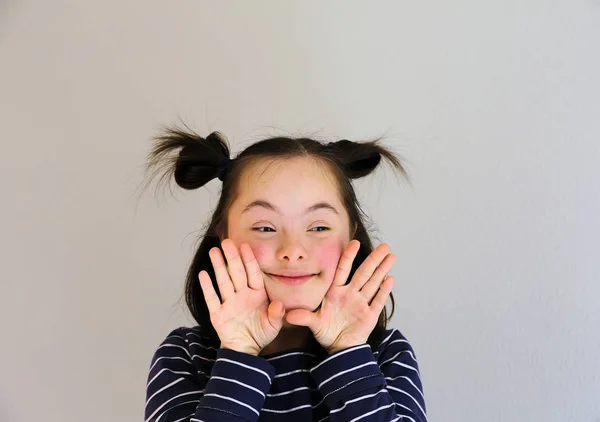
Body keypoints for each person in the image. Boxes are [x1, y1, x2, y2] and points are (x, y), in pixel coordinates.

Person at [142, 127, 427, 422]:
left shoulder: (387, 354)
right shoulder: (185, 357)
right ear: (223, 233)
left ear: (351, 235)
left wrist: (348, 351)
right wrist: (238, 353)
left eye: (319, 227)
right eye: (265, 228)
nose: (293, 250)